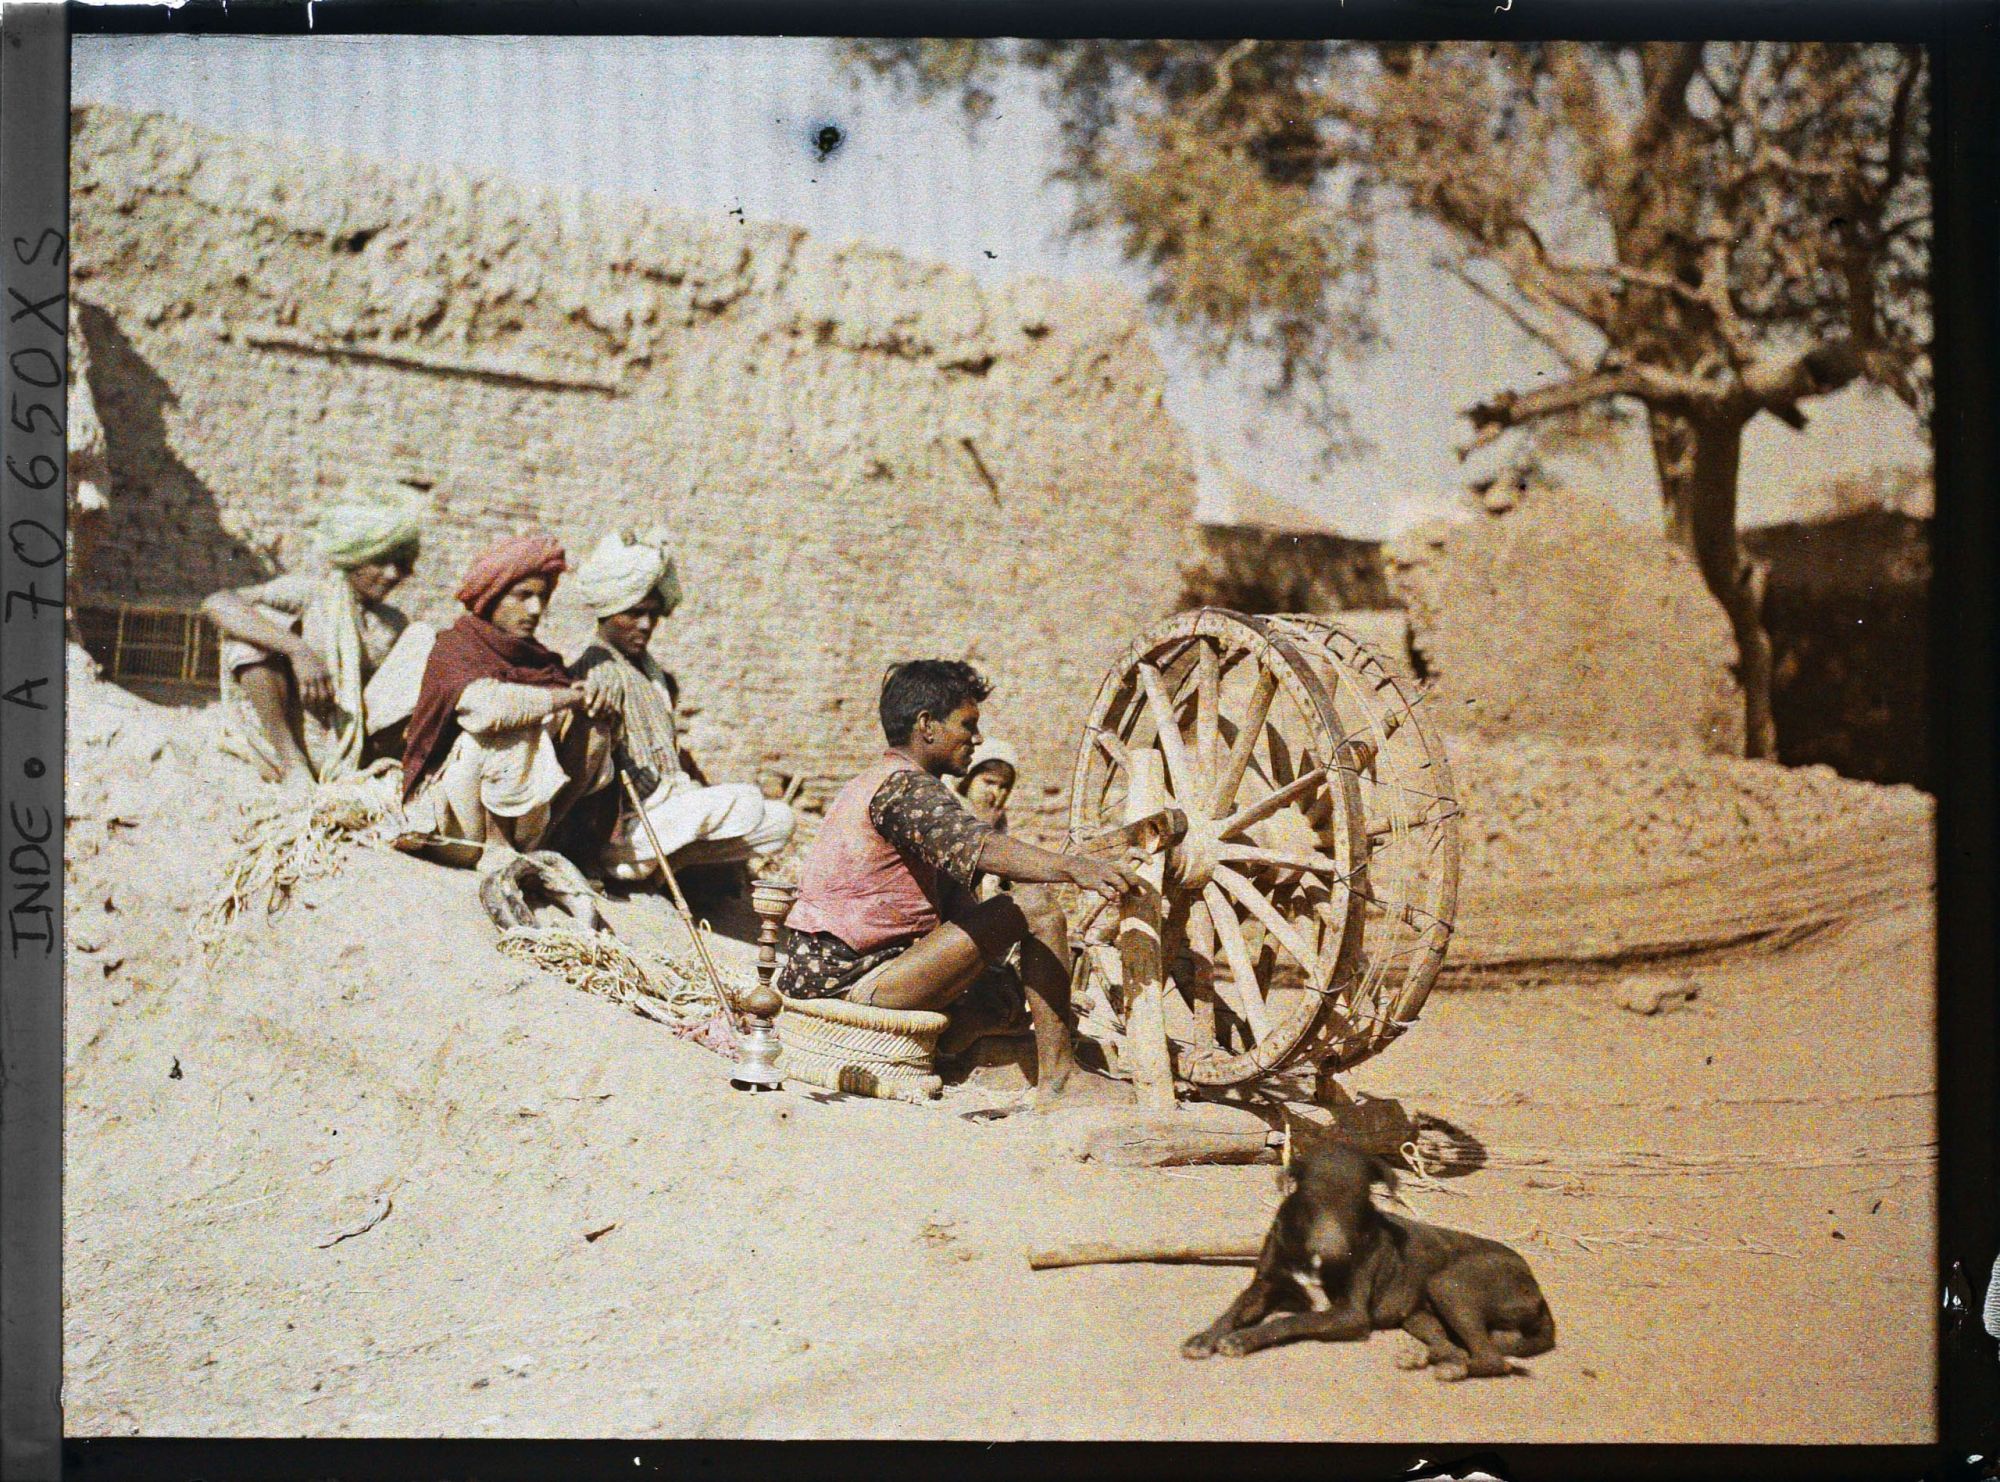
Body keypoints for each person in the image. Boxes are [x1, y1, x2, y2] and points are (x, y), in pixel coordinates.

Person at [775, 660, 1138, 1106]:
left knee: (991, 965)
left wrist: (996, 973)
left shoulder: (879, 783)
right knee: (1036, 908)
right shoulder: (906, 789)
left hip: (836, 970)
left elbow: (956, 902)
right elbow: (979, 846)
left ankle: (975, 1040)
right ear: (926, 725)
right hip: (854, 979)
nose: (978, 739)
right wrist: (1073, 867)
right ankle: (1059, 1079)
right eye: (967, 725)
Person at [564, 529, 795, 881]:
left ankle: (662, 865)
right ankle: (626, 860)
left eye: (653, 615)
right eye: (635, 613)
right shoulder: (598, 669)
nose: (646, 625)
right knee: (744, 798)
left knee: (781, 821)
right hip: (630, 820)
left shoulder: (651, 673)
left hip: (671, 812)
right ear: (609, 612)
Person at [400, 531, 614, 862]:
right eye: (522, 595)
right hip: (453, 819)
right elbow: (487, 710)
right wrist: (566, 698)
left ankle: (548, 839)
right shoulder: (455, 647)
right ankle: (496, 847)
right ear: (492, 596)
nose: (535, 609)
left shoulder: (541, 661)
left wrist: (591, 701)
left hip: (528, 819)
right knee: (513, 715)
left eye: (542, 598)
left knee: (593, 726)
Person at [205, 484, 432, 787]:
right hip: (298, 740)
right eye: (381, 560)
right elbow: (218, 603)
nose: (392, 574)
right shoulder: (312, 594)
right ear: (355, 556)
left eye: (401, 565)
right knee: (254, 629)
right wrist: (298, 650)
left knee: (424, 640)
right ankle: (291, 764)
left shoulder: (394, 623)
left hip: (354, 748)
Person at [954, 737, 1018, 832]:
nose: (995, 792)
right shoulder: (950, 808)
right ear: (968, 779)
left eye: (1003, 786)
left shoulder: (997, 817)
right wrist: (985, 826)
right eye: (989, 782)